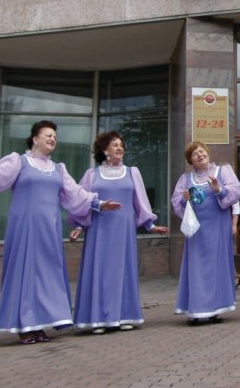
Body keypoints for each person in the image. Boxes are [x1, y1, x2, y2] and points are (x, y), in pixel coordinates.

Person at [0, 120, 120, 345]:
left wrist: (98, 203)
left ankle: (40, 322)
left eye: (55, 136)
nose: (52, 139)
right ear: (34, 138)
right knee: (25, 273)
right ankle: (25, 324)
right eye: (47, 135)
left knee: (47, 274)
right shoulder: (19, 161)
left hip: (49, 229)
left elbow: (75, 193)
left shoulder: (58, 169)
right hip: (25, 226)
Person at [68, 131, 168, 334]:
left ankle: (124, 316)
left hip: (123, 232)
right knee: (99, 271)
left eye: (121, 144)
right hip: (99, 231)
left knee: (123, 271)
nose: (120, 148)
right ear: (104, 150)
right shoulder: (91, 175)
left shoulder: (132, 172)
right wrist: (79, 226)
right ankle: (98, 319)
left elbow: (140, 201)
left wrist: (150, 225)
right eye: (115, 144)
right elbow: (81, 200)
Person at [172, 141, 240, 324]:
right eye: (195, 154)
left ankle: (215, 309)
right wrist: (184, 200)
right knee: (195, 269)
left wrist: (219, 189)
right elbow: (176, 203)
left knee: (216, 267)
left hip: (218, 227)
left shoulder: (223, 172)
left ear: (207, 153)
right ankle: (195, 311)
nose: (200, 154)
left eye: (201, 151)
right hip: (196, 231)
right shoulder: (185, 179)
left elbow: (235, 193)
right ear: (191, 161)